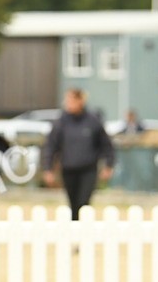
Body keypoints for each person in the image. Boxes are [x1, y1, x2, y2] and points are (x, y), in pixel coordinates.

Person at [41, 89, 116, 220]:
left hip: (88, 170)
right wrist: (48, 168)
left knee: (83, 203)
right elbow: (51, 146)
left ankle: (82, 230)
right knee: (73, 204)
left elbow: (106, 145)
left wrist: (109, 165)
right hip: (68, 169)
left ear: (80, 101)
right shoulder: (61, 122)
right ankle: (74, 230)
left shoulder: (93, 121)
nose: (68, 104)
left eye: (71, 100)